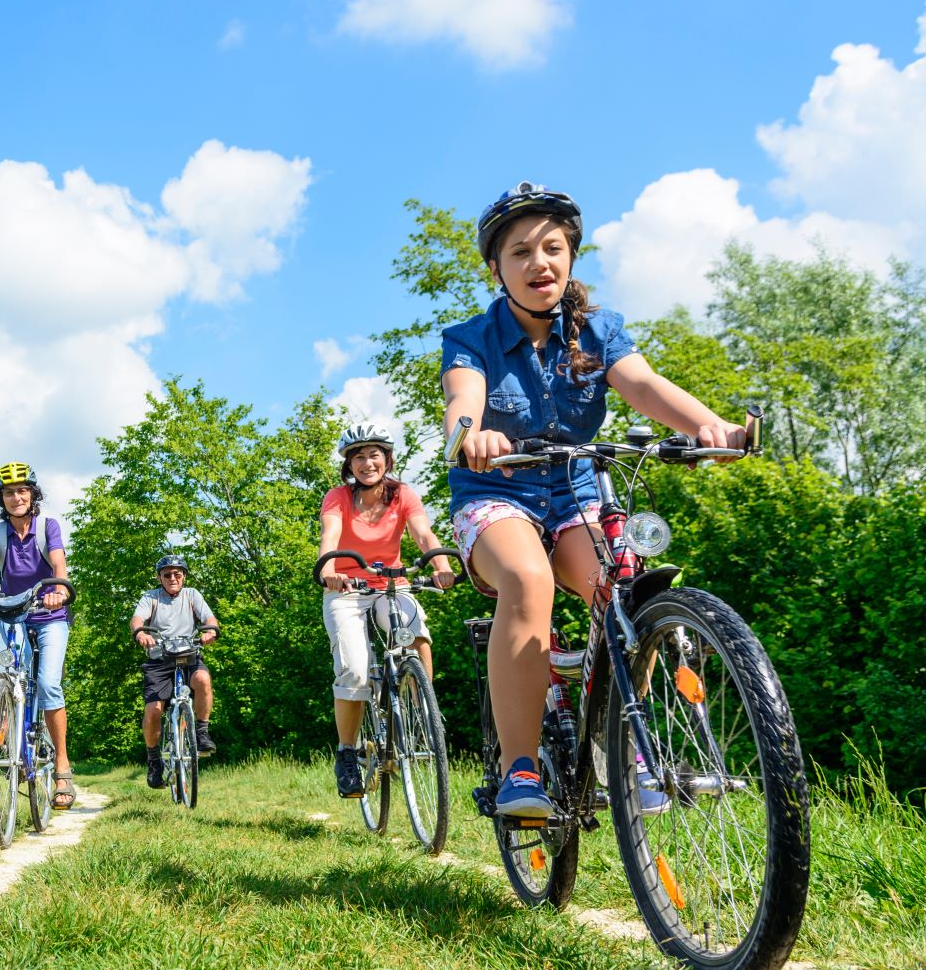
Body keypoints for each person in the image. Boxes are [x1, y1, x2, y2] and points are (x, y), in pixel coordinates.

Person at [442, 182, 746, 817]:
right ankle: (518, 768)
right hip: (497, 495)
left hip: (575, 492)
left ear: (571, 257)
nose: (538, 263)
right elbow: (462, 399)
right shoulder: (471, 337)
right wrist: (471, 436)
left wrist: (709, 427)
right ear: (495, 267)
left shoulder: (600, 331)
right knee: (528, 580)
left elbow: (644, 385)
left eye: (552, 248)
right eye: (520, 252)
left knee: (622, 592)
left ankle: (624, 744)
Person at [318, 422, 454, 800]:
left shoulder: (403, 495)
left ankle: (423, 706)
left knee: (417, 633)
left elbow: (424, 534)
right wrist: (329, 569)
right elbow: (329, 537)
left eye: (374, 454)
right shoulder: (337, 498)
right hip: (346, 589)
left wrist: (440, 564)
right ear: (349, 464)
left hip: (391, 583)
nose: (367, 462)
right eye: (358, 456)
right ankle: (347, 753)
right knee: (356, 670)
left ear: (386, 458)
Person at [0, 462, 77, 810]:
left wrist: (59, 589)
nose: (16, 497)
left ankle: (62, 767)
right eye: (9, 492)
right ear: (2, 498)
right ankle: (11, 734)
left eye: (22, 490)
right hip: (14, 612)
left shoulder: (48, 527)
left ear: (33, 494)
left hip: (50, 614)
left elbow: (59, 565)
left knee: (48, 683)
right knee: (13, 675)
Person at [130, 555, 218, 789]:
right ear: (159, 577)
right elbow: (137, 619)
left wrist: (210, 631)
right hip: (159, 660)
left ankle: (201, 733)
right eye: (167, 574)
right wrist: (141, 633)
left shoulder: (192, 595)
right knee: (153, 711)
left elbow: (209, 618)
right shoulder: (151, 597)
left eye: (177, 574)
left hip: (188, 656)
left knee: (203, 679)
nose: (172, 578)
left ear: (184, 576)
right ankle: (154, 760)